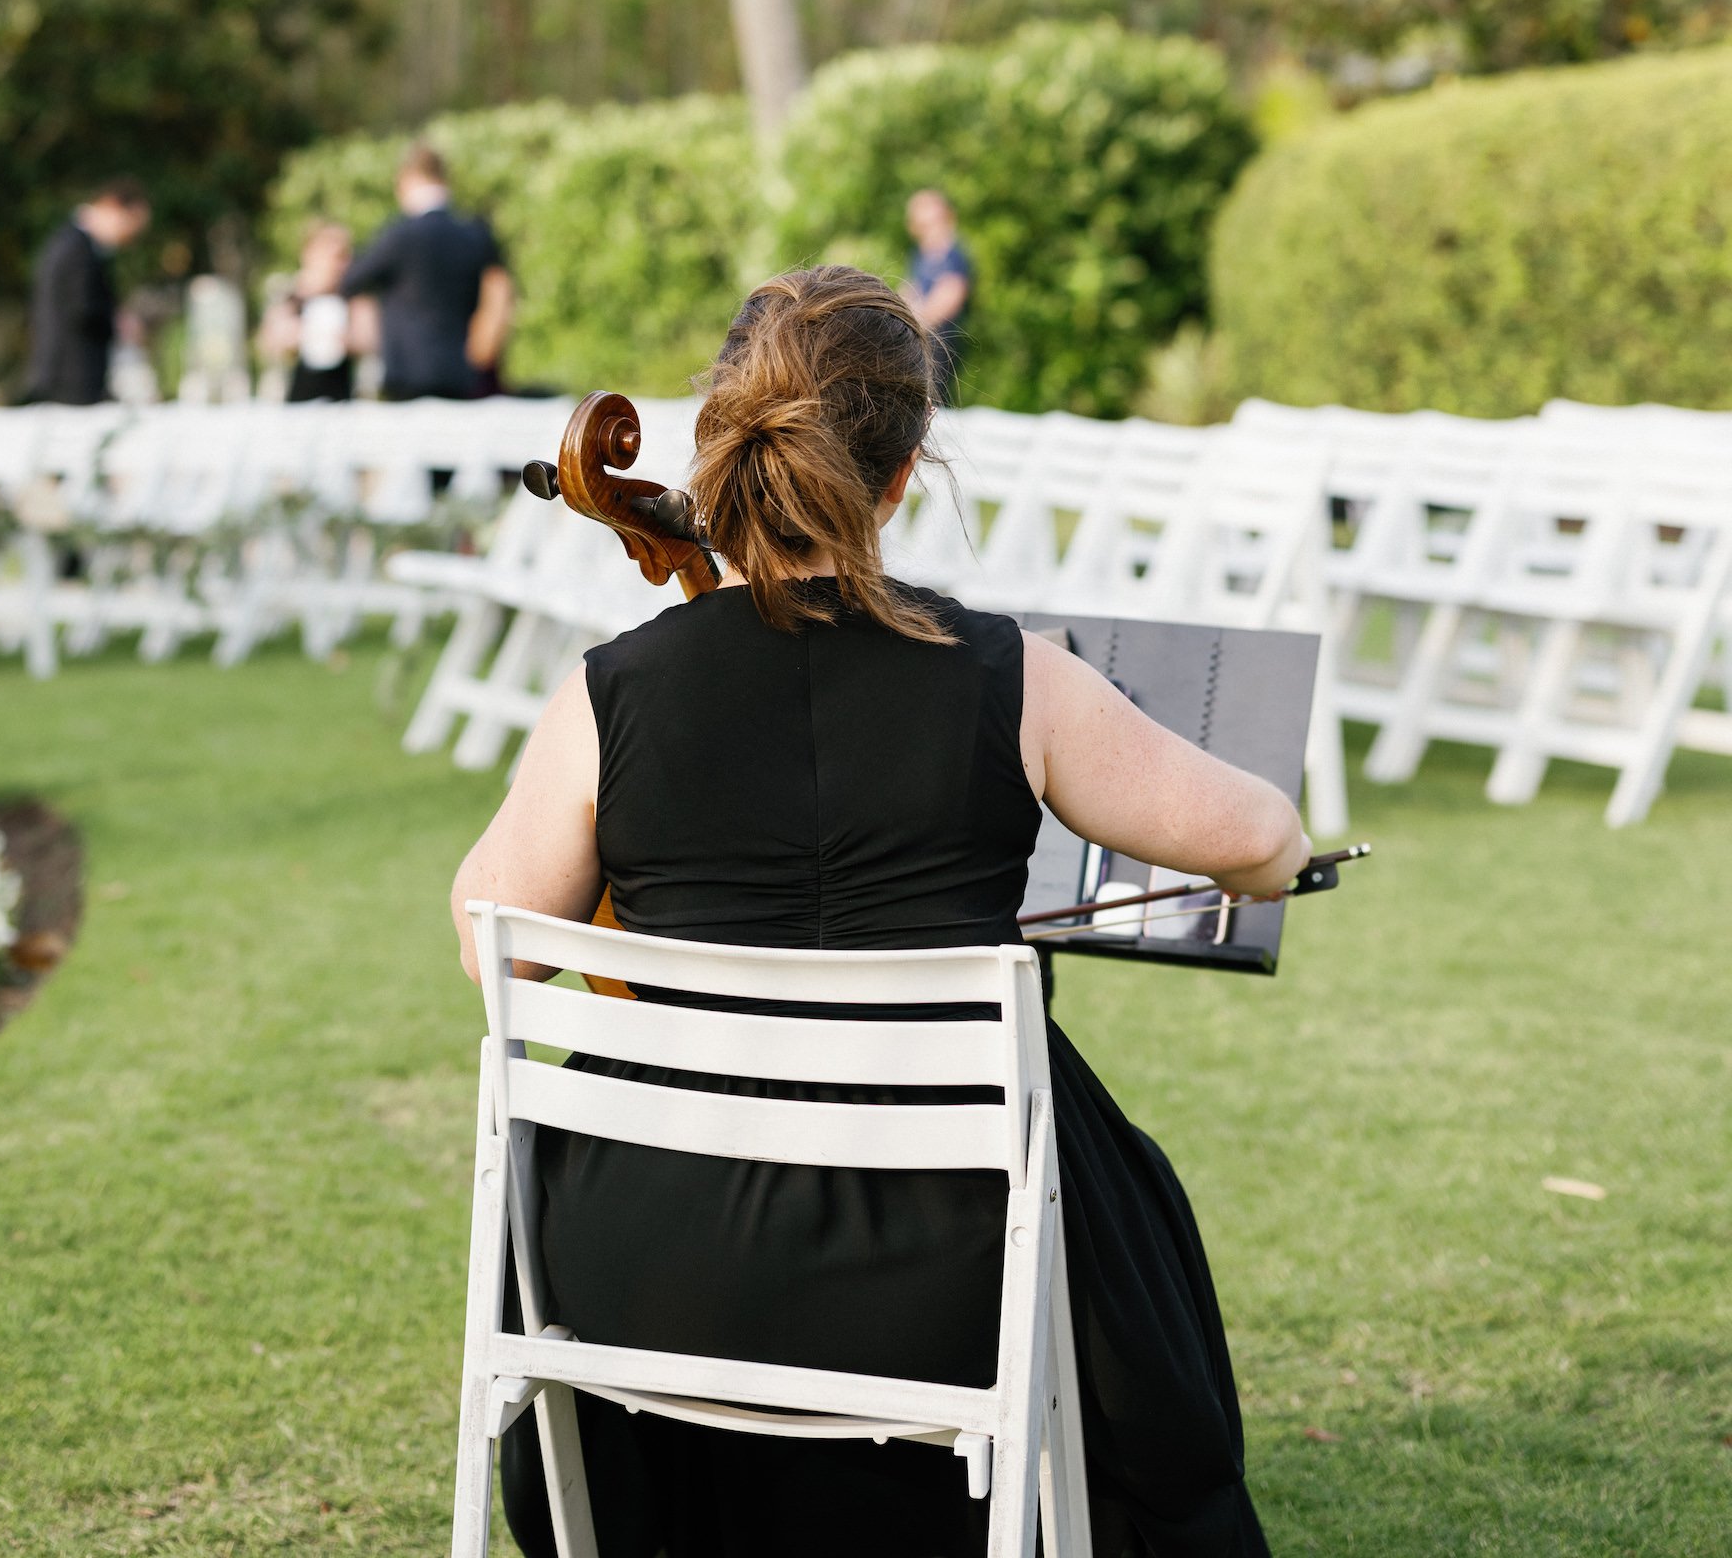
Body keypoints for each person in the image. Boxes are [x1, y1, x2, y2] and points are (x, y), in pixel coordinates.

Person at [452, 267, 1306, 1558]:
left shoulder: (606, 697)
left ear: (721, 450)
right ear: (904, 474)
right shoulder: (1014, 680)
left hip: (637, 1276)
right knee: (1118, 1183)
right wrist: (1272, 863)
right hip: (943, 1287)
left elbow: (491, 930)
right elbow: (1260, 837)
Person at [340, 144, 514, 402]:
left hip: (406, 374)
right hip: (463, 373)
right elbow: (500, 294)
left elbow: (349, 282)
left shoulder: (399, 236)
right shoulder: (476, 234)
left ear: (406, 179)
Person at [23, 179, 151, 404]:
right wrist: (118, 324)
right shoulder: (77, 250)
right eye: (131, 225)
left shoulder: (74, 245)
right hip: (71, 378)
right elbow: (82, 308)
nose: (129, 238)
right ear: (113, 208)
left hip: (70, 376)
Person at [256, 220, 361, 402]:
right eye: (334, 256)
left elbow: (369, 340)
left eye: (344, 257)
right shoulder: (289, 295)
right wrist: (295, 335)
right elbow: (266, 344)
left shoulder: (352, 296)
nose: (339, 265)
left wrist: (344, 339)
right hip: (295, 395)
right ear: (310, 254)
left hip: (343, 396)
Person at [902, 185, 974, 394]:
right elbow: (909, 290)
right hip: (919, 341)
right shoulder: (921, 256)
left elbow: (949, 299)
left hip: (940, 344)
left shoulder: (953, 257)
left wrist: (912, 324)